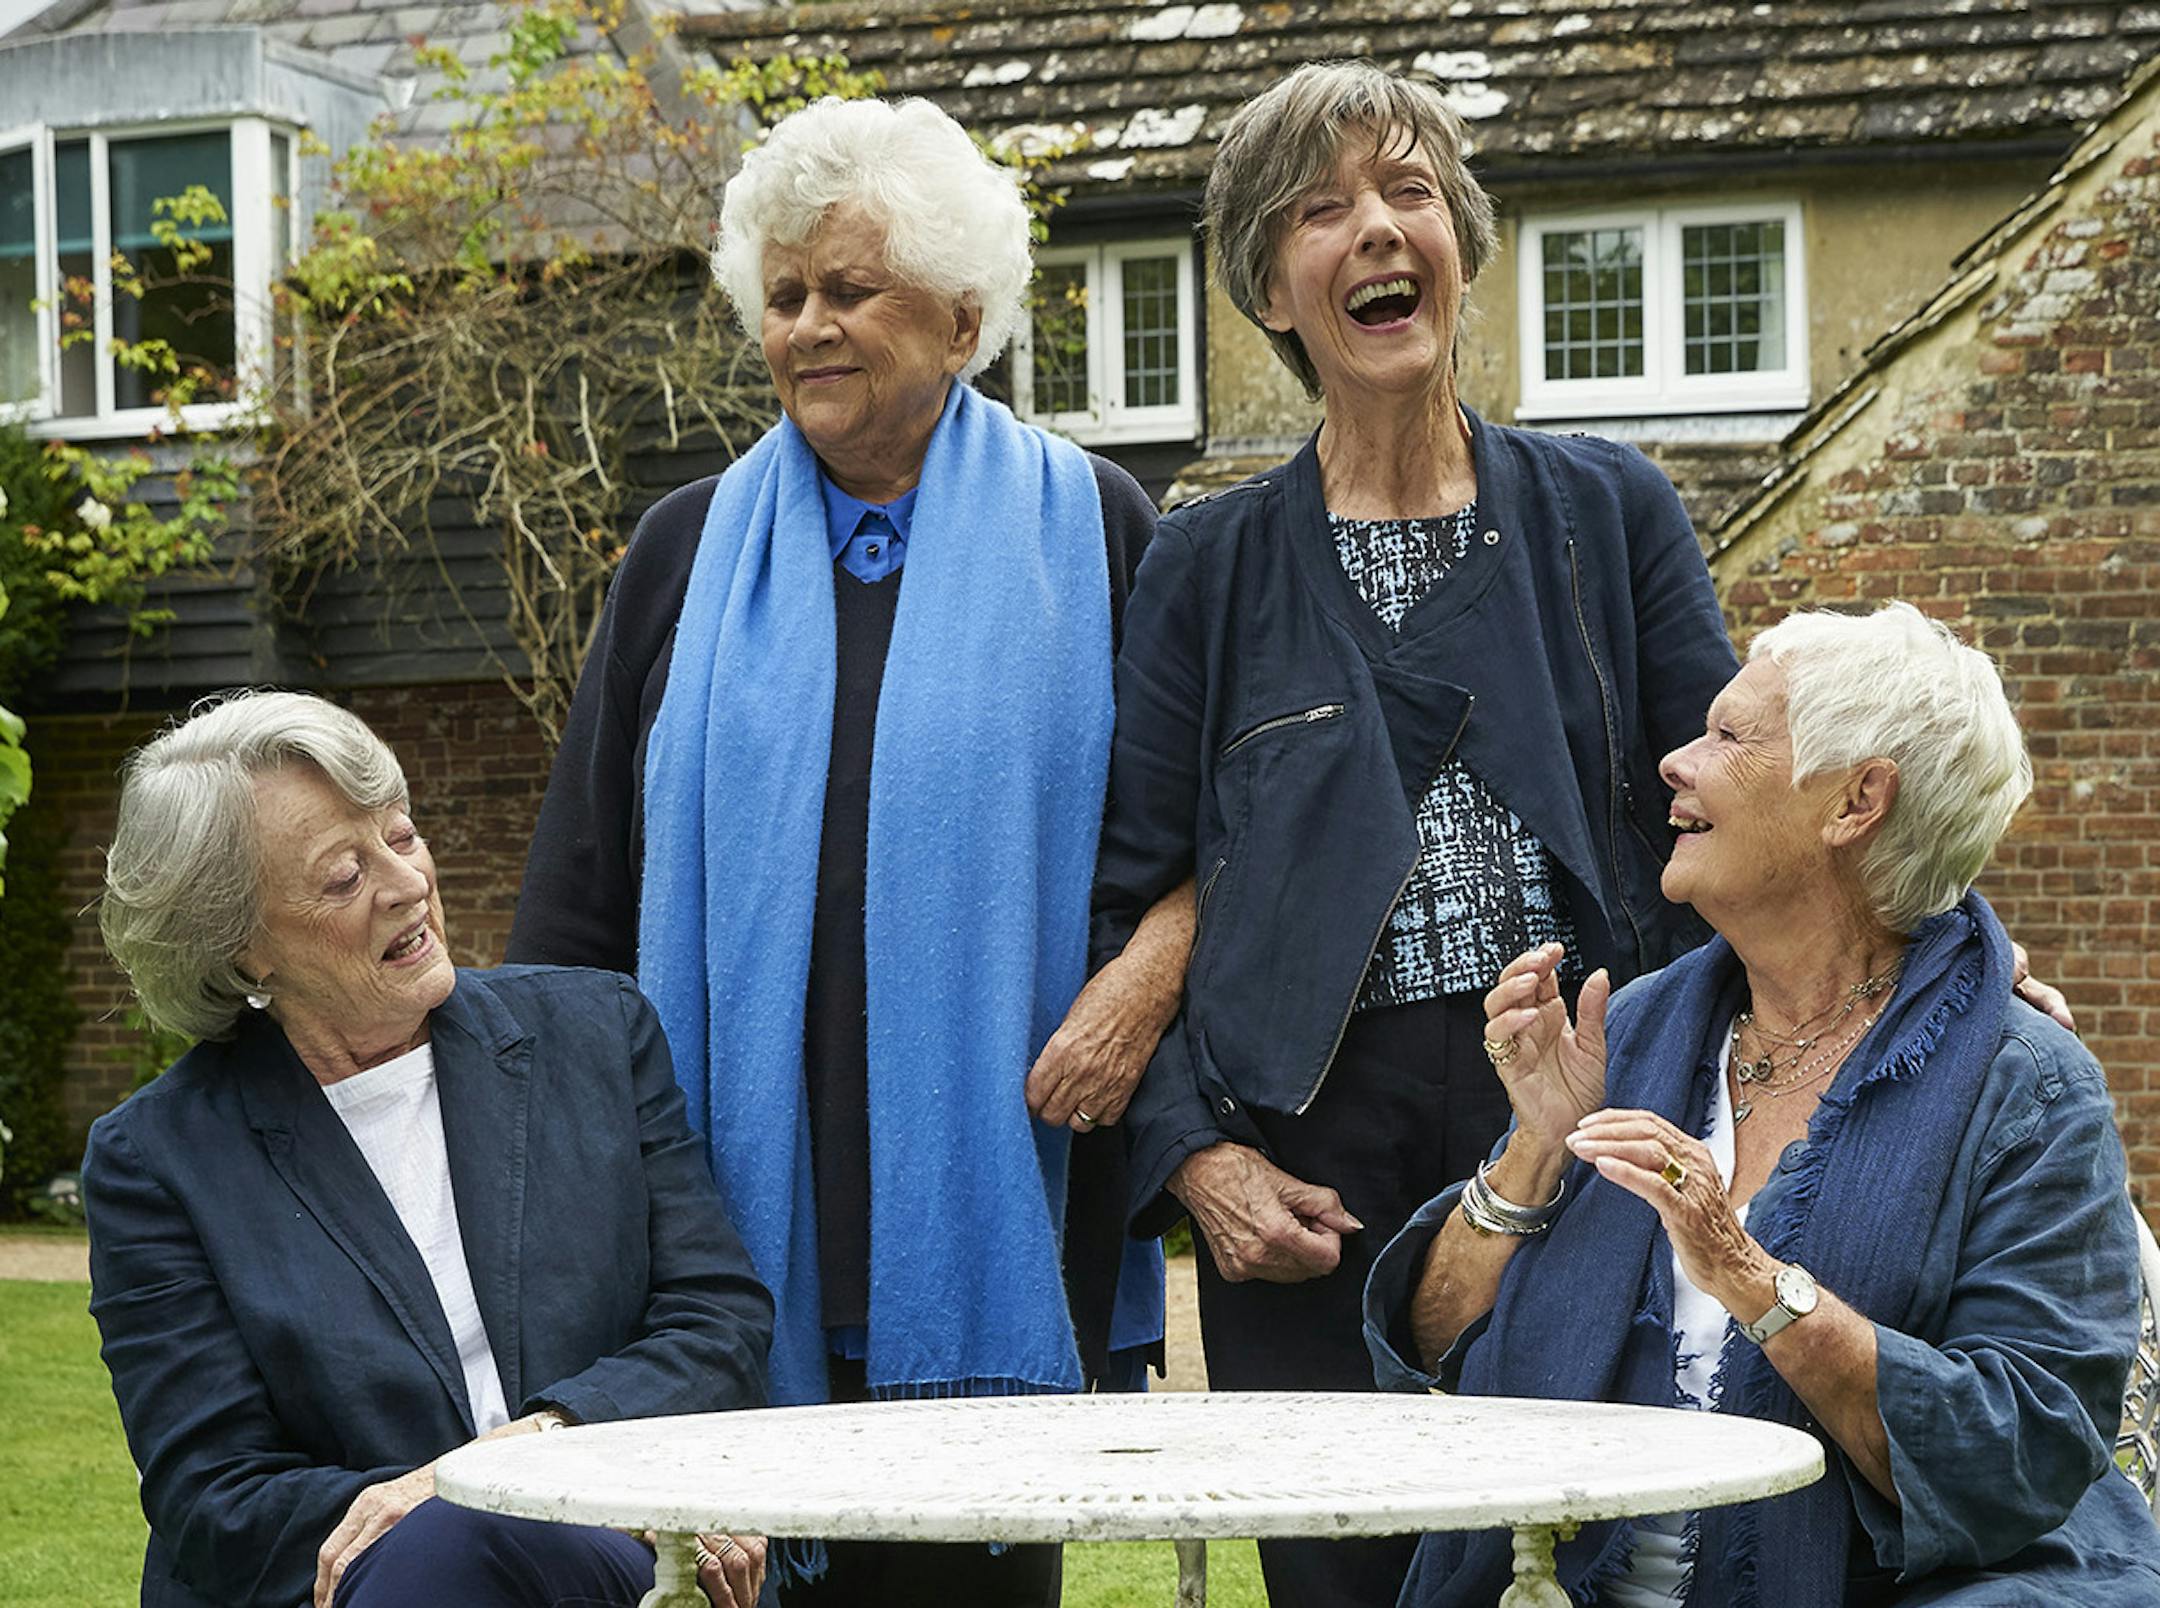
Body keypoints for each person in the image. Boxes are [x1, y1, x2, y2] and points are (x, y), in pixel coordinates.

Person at [506, 94, 1186, 1607]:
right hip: (732, 1223)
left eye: (851, 290)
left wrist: (1145, 976)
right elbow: (577, 898)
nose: (808, 324)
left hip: (1008, 1197)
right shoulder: (684, 549)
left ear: (961, 316)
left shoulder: (1100, 529)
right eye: (787, 294)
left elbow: (1208, 841)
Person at [1090, 61, 1741, 1608]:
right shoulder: (1206, 564)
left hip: (1583, 1110)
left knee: (1598, 1559)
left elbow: (1739, 794)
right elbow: (1124, 902)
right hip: (1310, 1164)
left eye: (1410, 193)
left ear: (1462, 238)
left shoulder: (1609, 512)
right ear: (1270, 283)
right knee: (1345, 1574)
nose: (1378, 231)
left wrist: (1922, 951)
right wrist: (1198, 1160)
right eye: (1323, 211)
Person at [1365, 602, 2160, 1606]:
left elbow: (2019, 1450)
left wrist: (1742, 1269)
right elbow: (1435, 1352)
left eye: (1729, 736)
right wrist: (1536, 1147)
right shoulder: (1637, 1031)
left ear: (1857, 801)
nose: (1676, 762)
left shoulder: (2025, 1086)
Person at [85, 691, 777, 1608]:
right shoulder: (157, 1159)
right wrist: (456, 1509)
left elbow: (716, 1321)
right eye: (343, 876)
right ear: (241, 948)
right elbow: (216, 1496)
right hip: (365, 1579)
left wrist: (542, 1455)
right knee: (458, 1552)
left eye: (402, 836)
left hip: (619, 1548)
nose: (408, 883)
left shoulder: (596, 1032)